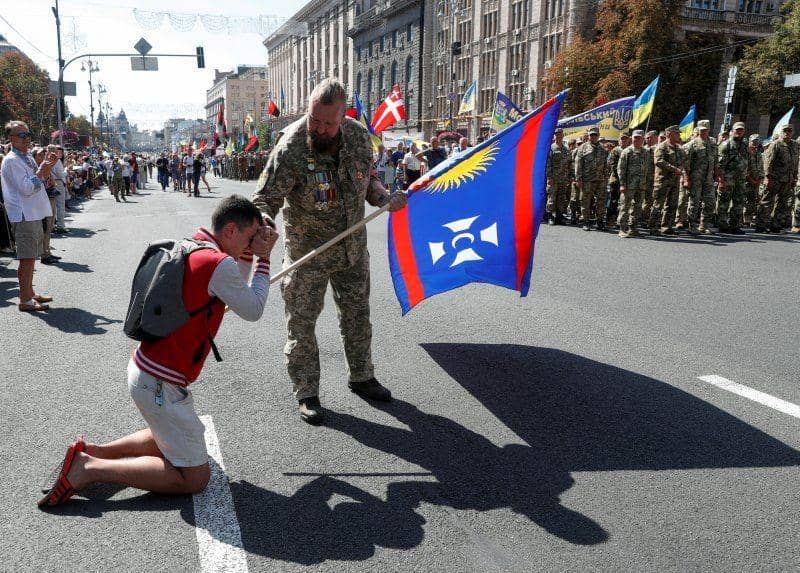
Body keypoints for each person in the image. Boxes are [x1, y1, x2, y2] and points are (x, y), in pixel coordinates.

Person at [37, 195, 278, 508]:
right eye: (248, 237)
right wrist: (265, 259)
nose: (252, 243)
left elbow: (235, 289)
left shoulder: (199, 245)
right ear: (231, 231)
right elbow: (252, 307)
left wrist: (249, 252)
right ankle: (90, 469)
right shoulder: (218, 264)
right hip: (160, 382)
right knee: (195, 477)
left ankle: (94, 451)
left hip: (147, 368)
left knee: (167, 436)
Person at [251, 78, 407, 425]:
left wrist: (385, 198)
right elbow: (265, 199)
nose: (319, 128)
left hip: (352, 250)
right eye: (314, 119)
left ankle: (362, 376)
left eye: (327, 122)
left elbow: (369, 183)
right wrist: (264, 222)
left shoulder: (357, 138)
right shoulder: (292, 145)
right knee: (302, 324)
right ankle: (307, 392)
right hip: (308, 255)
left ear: (343, 116)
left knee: (357, 316)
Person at [0, 121, 57, 312]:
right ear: (12, 138)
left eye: (28, 134)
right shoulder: (12, 160)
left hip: (32, 212)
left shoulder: (25, 157)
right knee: (26, 258)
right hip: (24, 214)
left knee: (31, 257)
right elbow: (26, 188)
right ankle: (24, 299)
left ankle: (30, 293)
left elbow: (38, 181)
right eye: (22, 135)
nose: (27, 138)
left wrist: (47, 168)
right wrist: (42, 172)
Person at [677, 120, 717, 235]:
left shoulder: (713, 143)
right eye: (701, 130)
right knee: (694, 203)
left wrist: (718, 174)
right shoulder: (691, 144)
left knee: (710, 202)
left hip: (708, 179)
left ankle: (704, 225)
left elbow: (715, 161)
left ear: (709, 130)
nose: (703, 132)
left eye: (706, 130)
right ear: (698, 130)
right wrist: (686, 179)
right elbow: (684, 164)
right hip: (695, 179)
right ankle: (692, 226)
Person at [757, 124, 796, 233]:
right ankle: (761, 225)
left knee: (782, 202)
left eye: (789, 131)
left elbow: (795, 162)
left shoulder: (794, 145)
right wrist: (768, 177)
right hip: (775, 178)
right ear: (781, 132)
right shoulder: (776, 144)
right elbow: (768, 163)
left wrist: (794, 177)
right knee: (767, 201)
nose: (787, 133)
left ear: (792, 132)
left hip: (787, 179)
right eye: (785, 131)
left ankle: (775, 224)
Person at [649, 125, 686, 236]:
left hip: (674, 181)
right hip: (662, 181)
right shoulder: (661, 147)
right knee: (658, 205)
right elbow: (659, 161)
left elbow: (683, 160)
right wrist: (674, 169)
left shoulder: (678, 148)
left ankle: (667, 227)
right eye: (677, 133)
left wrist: (681, 168)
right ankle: (653, 227)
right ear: (669, 134)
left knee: (672, 204)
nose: (679, 135)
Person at [574, 126, 609, 231]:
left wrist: (606, 177)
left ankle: (600, 221)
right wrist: (578, 179)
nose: (593, 137)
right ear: (588, 136)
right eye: (591, 135)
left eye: (595, 135)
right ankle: (585, 221)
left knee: (601, 201)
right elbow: (578, 164)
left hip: (600, 179)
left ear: (598, 135)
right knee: (586, 201)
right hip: (587, 180)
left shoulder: (603, 149)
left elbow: (606, 164)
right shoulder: (583, 148)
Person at [716, 121, 748, 234]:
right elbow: (719, 165)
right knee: (724, 202)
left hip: (740, 179)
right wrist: (721, 181)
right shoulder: (726, 145)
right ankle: (723, 225)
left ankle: (735, 225)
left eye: (741, 130)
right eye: (737, 130)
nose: (739, 132)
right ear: (732, 131)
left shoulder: (744, 145)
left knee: (738, 202)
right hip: (727, 179)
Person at [617, 130, 649, 238]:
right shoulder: (627, 152)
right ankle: (622, 228)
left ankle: (633, 228)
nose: (637, 140)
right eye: (635, 137)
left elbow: (647, 169)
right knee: (625, 207)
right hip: (628, 185)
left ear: (643, 139)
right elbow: (621, 169)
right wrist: (622, 184)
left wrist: (646, 183)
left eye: (639, 138)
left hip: (641, 185)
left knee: (638, 207)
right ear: (632, 138)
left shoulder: (645, 152)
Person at [545, 127, 572, 225]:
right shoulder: (551, 148)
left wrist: (569, 177)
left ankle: (559, 216)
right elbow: (548, 164)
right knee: (551, 198)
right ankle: (550, 216)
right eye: (556, 134)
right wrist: (549, 177)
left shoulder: (566, 149)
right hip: (553, 178)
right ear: (554, 136)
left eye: (560, 134)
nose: (558, 135)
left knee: (561, 198)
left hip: (563, 179)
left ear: (563, 135)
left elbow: (569, 164)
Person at [744, 134, 764, 227]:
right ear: (749, 141)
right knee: (743, 200)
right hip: (746, 181)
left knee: (753, 200)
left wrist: (759, 179)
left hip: (756, 181)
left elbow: (761, 168)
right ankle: (742, 219)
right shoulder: (745, 152)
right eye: (753, 141)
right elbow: (744, 168)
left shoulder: (758, 154)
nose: (755, 143)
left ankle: (748, 219)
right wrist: (750, 179)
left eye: (757, 141)